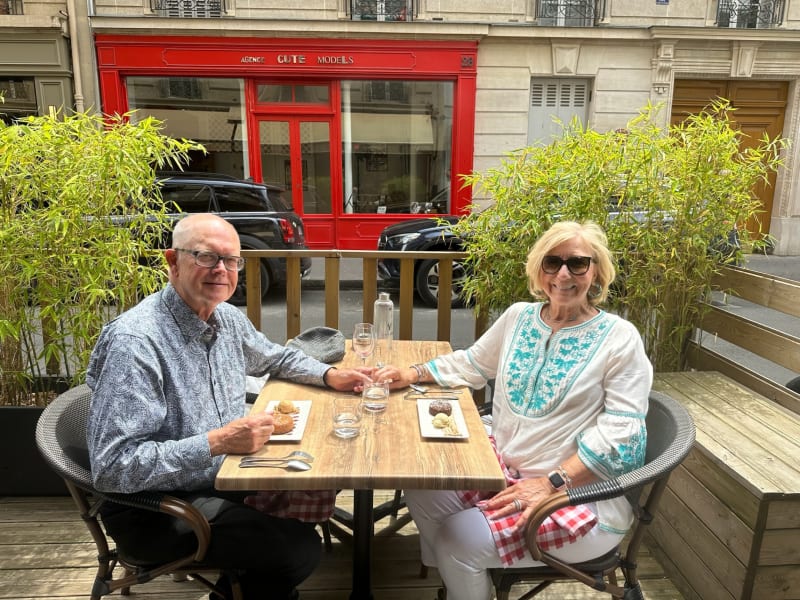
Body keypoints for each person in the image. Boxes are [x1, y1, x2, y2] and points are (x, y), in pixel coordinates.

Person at [86, 213, 371, 600]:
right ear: (172, 261)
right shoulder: (136, 343)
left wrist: (329, 375)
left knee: (318, 475)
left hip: (222, 476)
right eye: (206, 257)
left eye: (232, 260)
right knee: (296, 550)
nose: (221, 269)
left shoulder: (226, 318)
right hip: (156, 508)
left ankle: (239, 585)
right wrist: (216, 442)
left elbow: (275, 357)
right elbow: (113, 468)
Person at [373, 221, 653, 600]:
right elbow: (472, 364)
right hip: (501, 470)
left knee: (458, 539)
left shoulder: (620, 338)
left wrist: (550, 483)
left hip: (576, 498)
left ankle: (464, 569)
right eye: (552, 263)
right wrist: (412, 372)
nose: (564, 274)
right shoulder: (520, 316)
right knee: (422, 484)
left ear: (598, 270)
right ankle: (468, 582)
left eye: (578, 263)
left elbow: (622, 436)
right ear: (539, 269)